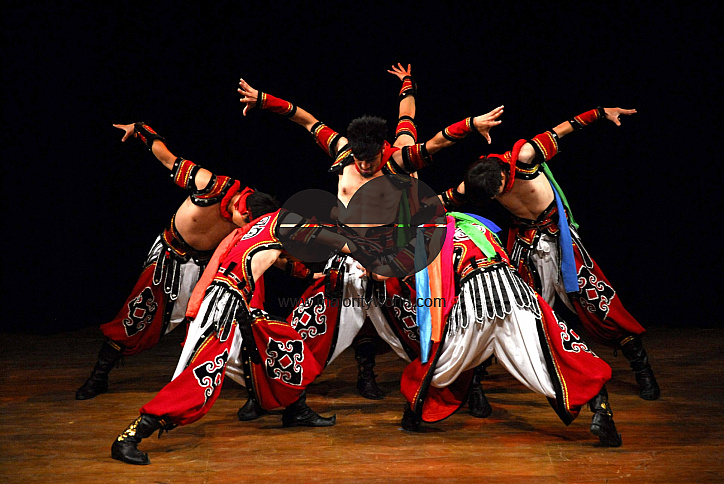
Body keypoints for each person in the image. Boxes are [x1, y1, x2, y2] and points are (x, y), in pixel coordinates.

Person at [236, 66, 503, 414]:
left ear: (383, 148)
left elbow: (433, 136)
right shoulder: (343, 150)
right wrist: (263, 100)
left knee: (427, 330)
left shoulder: (400, 160)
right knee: (309, 330)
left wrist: (469, 123)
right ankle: (272, 392)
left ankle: (467, 386)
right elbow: (306, 120)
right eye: (358, 159)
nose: (363, 165)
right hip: (347, 259)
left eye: (370, 159)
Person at [111, 207, 354, 465]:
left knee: (283, 345)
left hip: (235, 304)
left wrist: (314, 273)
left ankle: (296, 409)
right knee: (199, 379)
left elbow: (278, 259)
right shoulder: (292, 225)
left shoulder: (268, 225)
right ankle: (130, 437)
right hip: (222, 306)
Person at [463, 106, 660, 400]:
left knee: (598, 302)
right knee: (507, 308)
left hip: (561, 243)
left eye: (499, 191)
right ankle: (475, 384)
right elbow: (446, 198)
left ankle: (642, 368)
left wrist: (601, 113)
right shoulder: (480, 182)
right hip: (525, 246)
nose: (498, 197)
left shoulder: (525, 158)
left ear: (505, 176)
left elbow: (563, 129)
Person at [76, 122, 276, 400]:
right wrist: (140, 130)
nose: (243, 228)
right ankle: (98, 377)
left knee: (221, 322)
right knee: (136, 315)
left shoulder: (252, 217)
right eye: (244, 222)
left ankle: (243, 389)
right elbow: (168, 158)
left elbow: (267, 249)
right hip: (168, 260)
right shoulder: (209, 184)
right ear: (242, 205)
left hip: (208, 268)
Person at [389, 211, 622, 447]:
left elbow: (429, 292)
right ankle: (601, 410)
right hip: (516, 296)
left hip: (476, 301)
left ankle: (412, 414)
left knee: (443, 363)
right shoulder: (475, 223)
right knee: (551, 360)